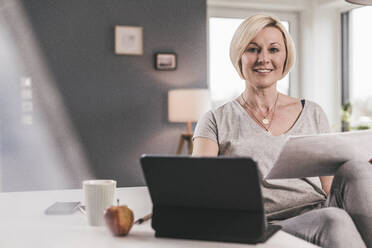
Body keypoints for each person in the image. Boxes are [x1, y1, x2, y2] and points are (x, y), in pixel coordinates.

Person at [192, 14, 372, 248]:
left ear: (285, 56)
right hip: (266, 223)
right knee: (333, 218)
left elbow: (329, 187)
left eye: (273, 49)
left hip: (319, 209)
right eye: (253, 49)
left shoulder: (313, 112)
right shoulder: (215, 120)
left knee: (357, 169)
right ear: (240, 56)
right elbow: (196, 187)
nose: (264, 58)